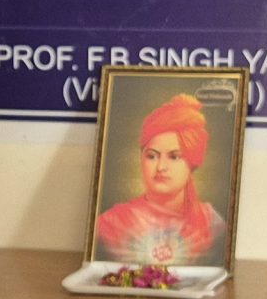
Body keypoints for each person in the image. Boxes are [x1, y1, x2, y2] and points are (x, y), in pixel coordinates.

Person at [93, 91, 228, 266]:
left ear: (192, 163)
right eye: (152, 156)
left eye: (174, 157)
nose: (161, 167)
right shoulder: (111, 223)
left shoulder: (212, 224)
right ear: (141, 159)